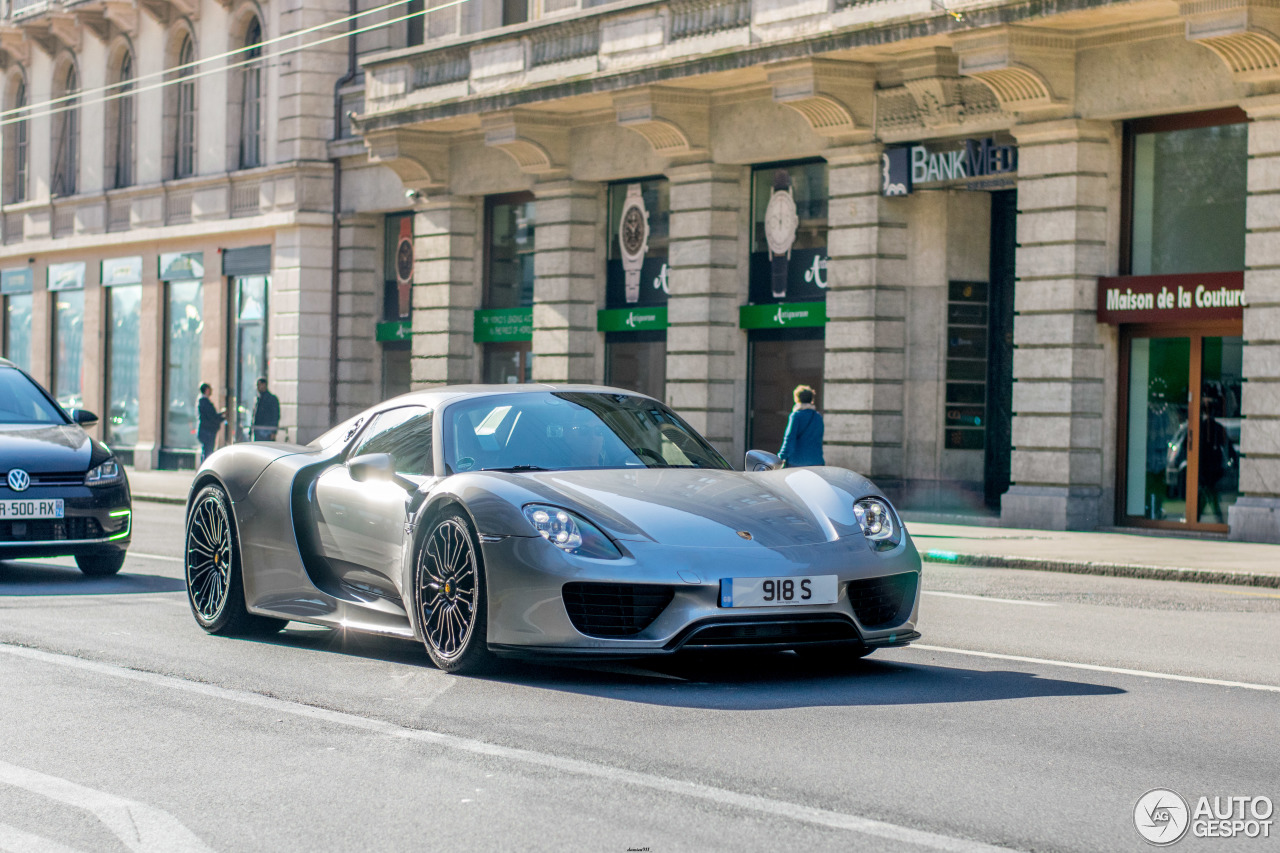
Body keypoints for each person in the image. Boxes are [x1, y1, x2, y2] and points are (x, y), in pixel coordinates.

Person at [779, 384, 824, 467]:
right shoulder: (818, 417)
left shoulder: (796, 416)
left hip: (796, 462)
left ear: (797, 399)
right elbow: (818, 440)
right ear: (811, 399)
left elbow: (789, 439)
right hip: (816, 462)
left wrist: (781, 457)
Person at [196, 383, 225, 463]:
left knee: (206, 450)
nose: (211, 391)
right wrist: (221, 417)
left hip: (205, 430)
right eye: (210, 389)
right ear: (207, 390)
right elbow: (210, 417)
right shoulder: (204, 402)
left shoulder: (202, 401)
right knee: (208, 451)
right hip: (207, 430)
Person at [251, 377, 280, 441]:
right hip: (258, 430)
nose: (258, 387)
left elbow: (275, 416)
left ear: (264, 385)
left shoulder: (272, 399)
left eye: (259, 385)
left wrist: (273, 432)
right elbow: (255, 415)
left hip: (267, 431)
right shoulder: (258, 399)